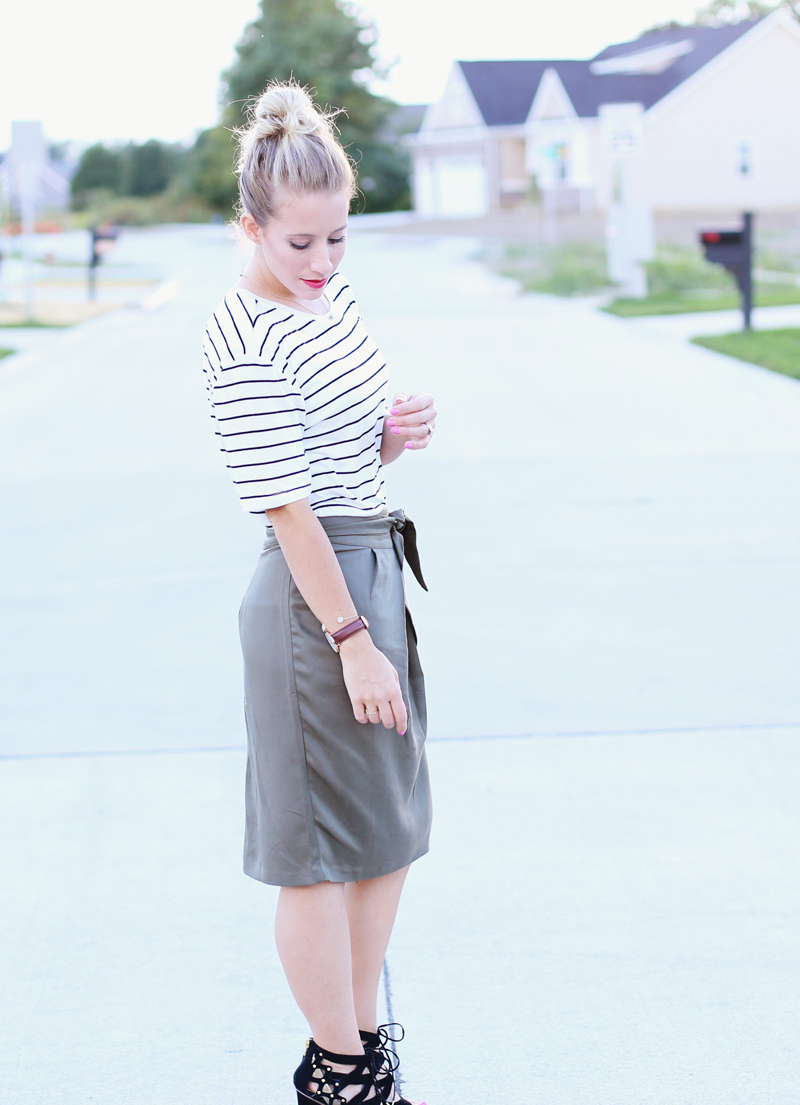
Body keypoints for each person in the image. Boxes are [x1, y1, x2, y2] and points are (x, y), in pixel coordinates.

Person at [202, 81, 435, 1105]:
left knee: (388, 831)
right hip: (315, 604)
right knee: (319, 855)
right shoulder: (244, 333)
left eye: (338, 238)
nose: (323, 262)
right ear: (249, 225)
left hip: (370, 566)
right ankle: (340, 1069)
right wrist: (350, 639)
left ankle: (361, 1043)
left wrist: (389, 437)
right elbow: (289, 510)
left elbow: (340, 455)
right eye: (300, 242)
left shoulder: (328, 299)